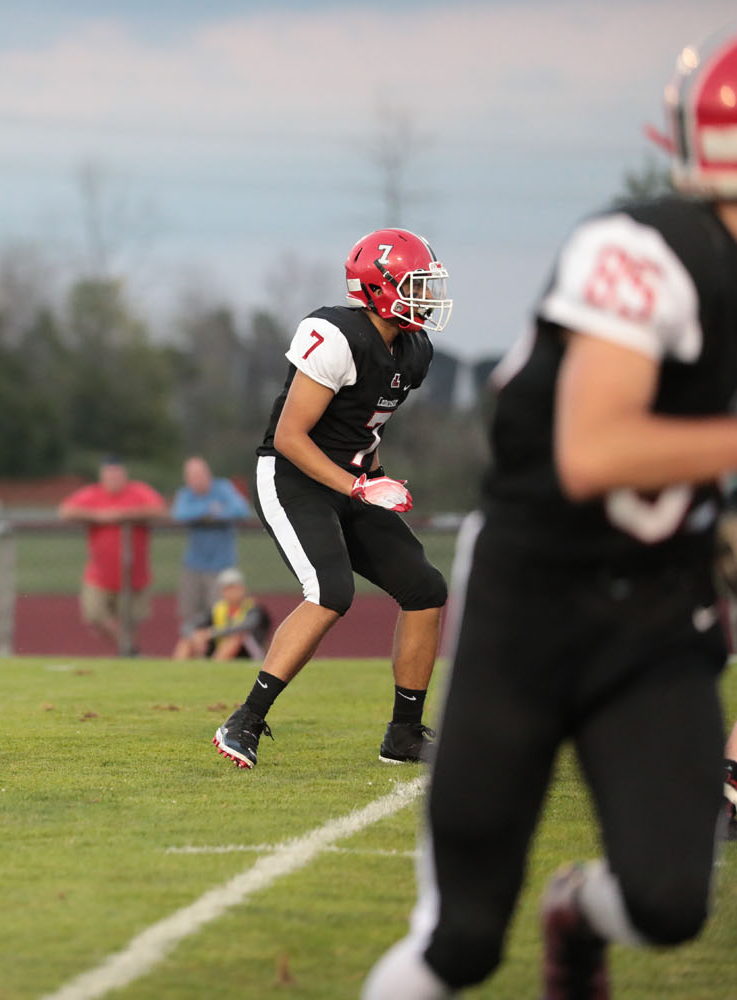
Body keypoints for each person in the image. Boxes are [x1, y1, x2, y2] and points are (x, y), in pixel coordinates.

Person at [364, 31, 737, 998]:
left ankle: (577, 912)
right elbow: (597, 450)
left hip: (660, 607)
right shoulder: (643, 250)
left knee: (671, 901)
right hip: (533, 598)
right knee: (464, 940)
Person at [214, 227, 451, 769]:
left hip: (351, 480)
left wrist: (366, 479)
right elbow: (291, 437)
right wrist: (359, 485)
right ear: (379, 286)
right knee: (330, 590)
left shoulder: (415, 351)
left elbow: (358, 428)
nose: (427, 298)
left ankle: (404, 733)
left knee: (426, 589)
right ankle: (245, 720)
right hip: (294, 475)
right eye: (416, 285)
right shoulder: (337, 335)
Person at [58, 455, 167, 652]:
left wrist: (123, 515)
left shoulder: (138, 491)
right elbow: (66, 510)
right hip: (99, 574)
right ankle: (129, 649)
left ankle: (128, 657)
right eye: (109, 475)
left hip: (135, 574)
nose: (113, 479)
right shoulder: (93, 494)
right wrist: (99, 516)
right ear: (102, 476)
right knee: (94, 614)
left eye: (117, 474)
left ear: (124, 475)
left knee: (131, 620)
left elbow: (159, 510)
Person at [171, 455, 253, 634]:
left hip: (221, 566)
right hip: (194, 565)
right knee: (190, 614)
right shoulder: (186, 494)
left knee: (220, 614)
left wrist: (208, 514)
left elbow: (241, 509)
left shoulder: (223, 488)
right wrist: (210, 509)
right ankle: (193, 653)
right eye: (191, 476)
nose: (196, 480)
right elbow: (181, 513)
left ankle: (217, 653)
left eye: (199, 474)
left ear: (208, 473)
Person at [171, 567, 270, 661]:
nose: (232, 592)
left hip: (248, 653)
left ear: (242, 589)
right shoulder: (218, 609)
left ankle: (213, 667)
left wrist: (210, 633)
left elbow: (244, 626)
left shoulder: (254, 609)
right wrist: (196, 637)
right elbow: (188, 625)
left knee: (235, 638)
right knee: (186, 641)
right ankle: (176, 670)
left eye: (234, 588)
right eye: (227, 589)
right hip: (219, 648)